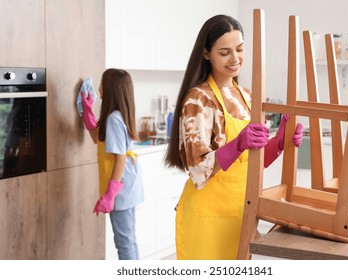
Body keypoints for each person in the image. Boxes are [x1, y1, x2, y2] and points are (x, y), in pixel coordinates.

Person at [164, 15, 303, 260]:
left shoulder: (247, 97)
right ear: (206, 53)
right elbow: (197, 169)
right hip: (207, 219)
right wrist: (238, 143)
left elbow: (251, 163)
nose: (235, 59)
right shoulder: (198, 99)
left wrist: (279, 143)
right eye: (225, 52)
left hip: (241, 214)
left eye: (239, 49)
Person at [80, 68, 144, 260]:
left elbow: (120, 158)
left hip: (120, 190)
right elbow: (96, 138)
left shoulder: (114, 119)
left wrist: (109, 195)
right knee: (129, 239)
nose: (99, 86)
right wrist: (87, 111)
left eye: (101, 82)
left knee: (124, 243)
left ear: (110, 88)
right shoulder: (116, 116)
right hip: (127, 186)